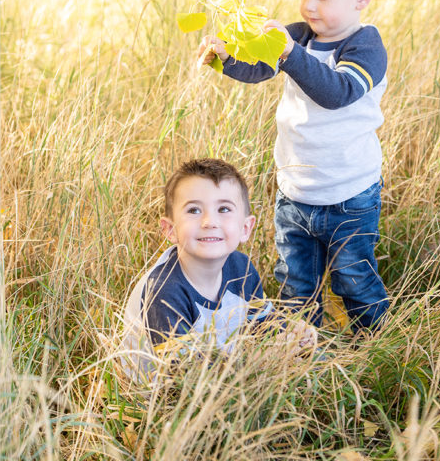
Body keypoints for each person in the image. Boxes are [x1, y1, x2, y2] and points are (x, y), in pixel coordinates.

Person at [198, 0, 391, 331]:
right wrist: (225, 59)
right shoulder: (299, 37)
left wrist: (289, 53)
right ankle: (299, 351)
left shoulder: (365, 48)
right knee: (295, 285)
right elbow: (260, 69)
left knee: (354, 280)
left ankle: (374, 342)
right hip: (296, 193)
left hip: (349, 195)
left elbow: (336, 92)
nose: (309, 7)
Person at [122, 158, 317, 378]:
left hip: (222, 368)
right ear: (170, 230)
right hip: (158, 394)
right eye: (194, 210)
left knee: (316, 364)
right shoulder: (165, 291)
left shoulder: (241, 268)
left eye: (223, 209)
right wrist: (258, 361)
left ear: (245, 228)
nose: (209, 222)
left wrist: (290, 332)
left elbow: (260, 322)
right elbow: (182, 374)